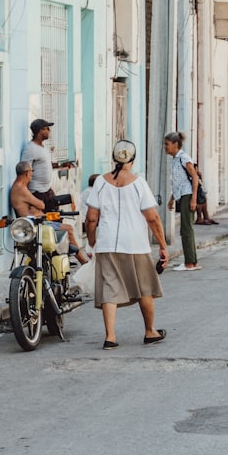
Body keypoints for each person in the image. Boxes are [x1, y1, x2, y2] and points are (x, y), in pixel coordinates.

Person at [84, 140, 169, 350]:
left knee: (109, 289)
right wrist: (163, 245)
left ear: (114, 159)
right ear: (132, 160)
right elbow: (152, 218)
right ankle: (150, 331)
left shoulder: (100, 183)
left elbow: (91, 218)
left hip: (108, 243)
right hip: (135, 244)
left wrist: (92, 241)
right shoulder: (139, 183)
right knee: (144, 288)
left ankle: (110, 337)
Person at [10, 161, 89, 264]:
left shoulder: (19, 187)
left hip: (33, 223)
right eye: (32, 172)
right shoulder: (21, 189)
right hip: (35, 225)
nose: (32, 175)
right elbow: (41, 205)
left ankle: (64, 257)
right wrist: (36, 207)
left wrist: (35, 207)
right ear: (27, 173)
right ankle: (82, 260)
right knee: (69, 229)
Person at [164, 131, 201, 271]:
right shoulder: (175, 159)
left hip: (187, 195)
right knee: (186, 229)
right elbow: (179, 181)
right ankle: (192, 261)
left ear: (175, 144)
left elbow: (194, 177)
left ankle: (190, 263)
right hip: (182, 195)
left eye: (167, 144)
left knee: (186, 230)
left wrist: (193, 199)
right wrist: (171, 199)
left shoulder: (184, 158)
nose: (165, 147)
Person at [20, 118, 73, 211]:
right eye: (47, 128)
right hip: (37, 192)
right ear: (40, 130)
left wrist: (60, 165)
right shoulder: (30, 149)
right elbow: (25, 172)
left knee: (56, 218)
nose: (49, 131)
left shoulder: (43, 147)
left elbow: (45, 164)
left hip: (47, 190)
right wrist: (27, 197)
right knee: (41, 221)